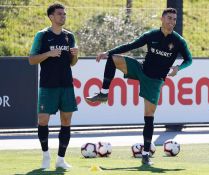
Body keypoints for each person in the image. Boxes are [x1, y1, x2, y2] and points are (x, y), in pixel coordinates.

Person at [86, 8, 192, 165]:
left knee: (148, 117)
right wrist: (107, 52)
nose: (172, 22)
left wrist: (178, 68)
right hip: (141, 69)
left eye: (174, 19)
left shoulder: (178, 41)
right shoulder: (151, 35)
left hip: (155, 80)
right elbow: (130, 45)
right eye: (169, 18)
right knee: (113, 59)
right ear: (162, 19)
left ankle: (145, 155)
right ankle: (103, 93)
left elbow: (189, 60)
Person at [28, 3, 78, 170]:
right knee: (43, 120)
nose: (63, 16)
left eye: (64, 14)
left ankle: (61, 159)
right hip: (48, 85)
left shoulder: (69, 36)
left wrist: (75, 56)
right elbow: (31, 59)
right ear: (51, 17)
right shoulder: (42, 36)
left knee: (66, 121)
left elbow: (72, 63)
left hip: (66, 85)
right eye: (59, 14)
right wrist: (48, 53)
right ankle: (45, 156)